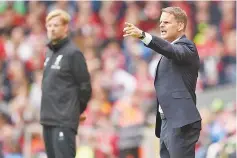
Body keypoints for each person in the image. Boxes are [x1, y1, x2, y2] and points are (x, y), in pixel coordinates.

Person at [123, 7, 202, 158]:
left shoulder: (187, 47)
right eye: (160, 22)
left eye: (166, 22)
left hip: (181, 122)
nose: (161, 25)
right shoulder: (166, 53)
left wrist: (143, 36)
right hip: (167, 123)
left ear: (180, 26)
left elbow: (172, 51)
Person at [40, 9, 92, 158]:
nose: (52, 29)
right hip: (47, 118)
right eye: (49, 25)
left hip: (63, 119)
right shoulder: (49, 52)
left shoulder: (73, 53)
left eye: (56, 25)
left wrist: (76, 110)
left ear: (66, 27)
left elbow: (85, 86)